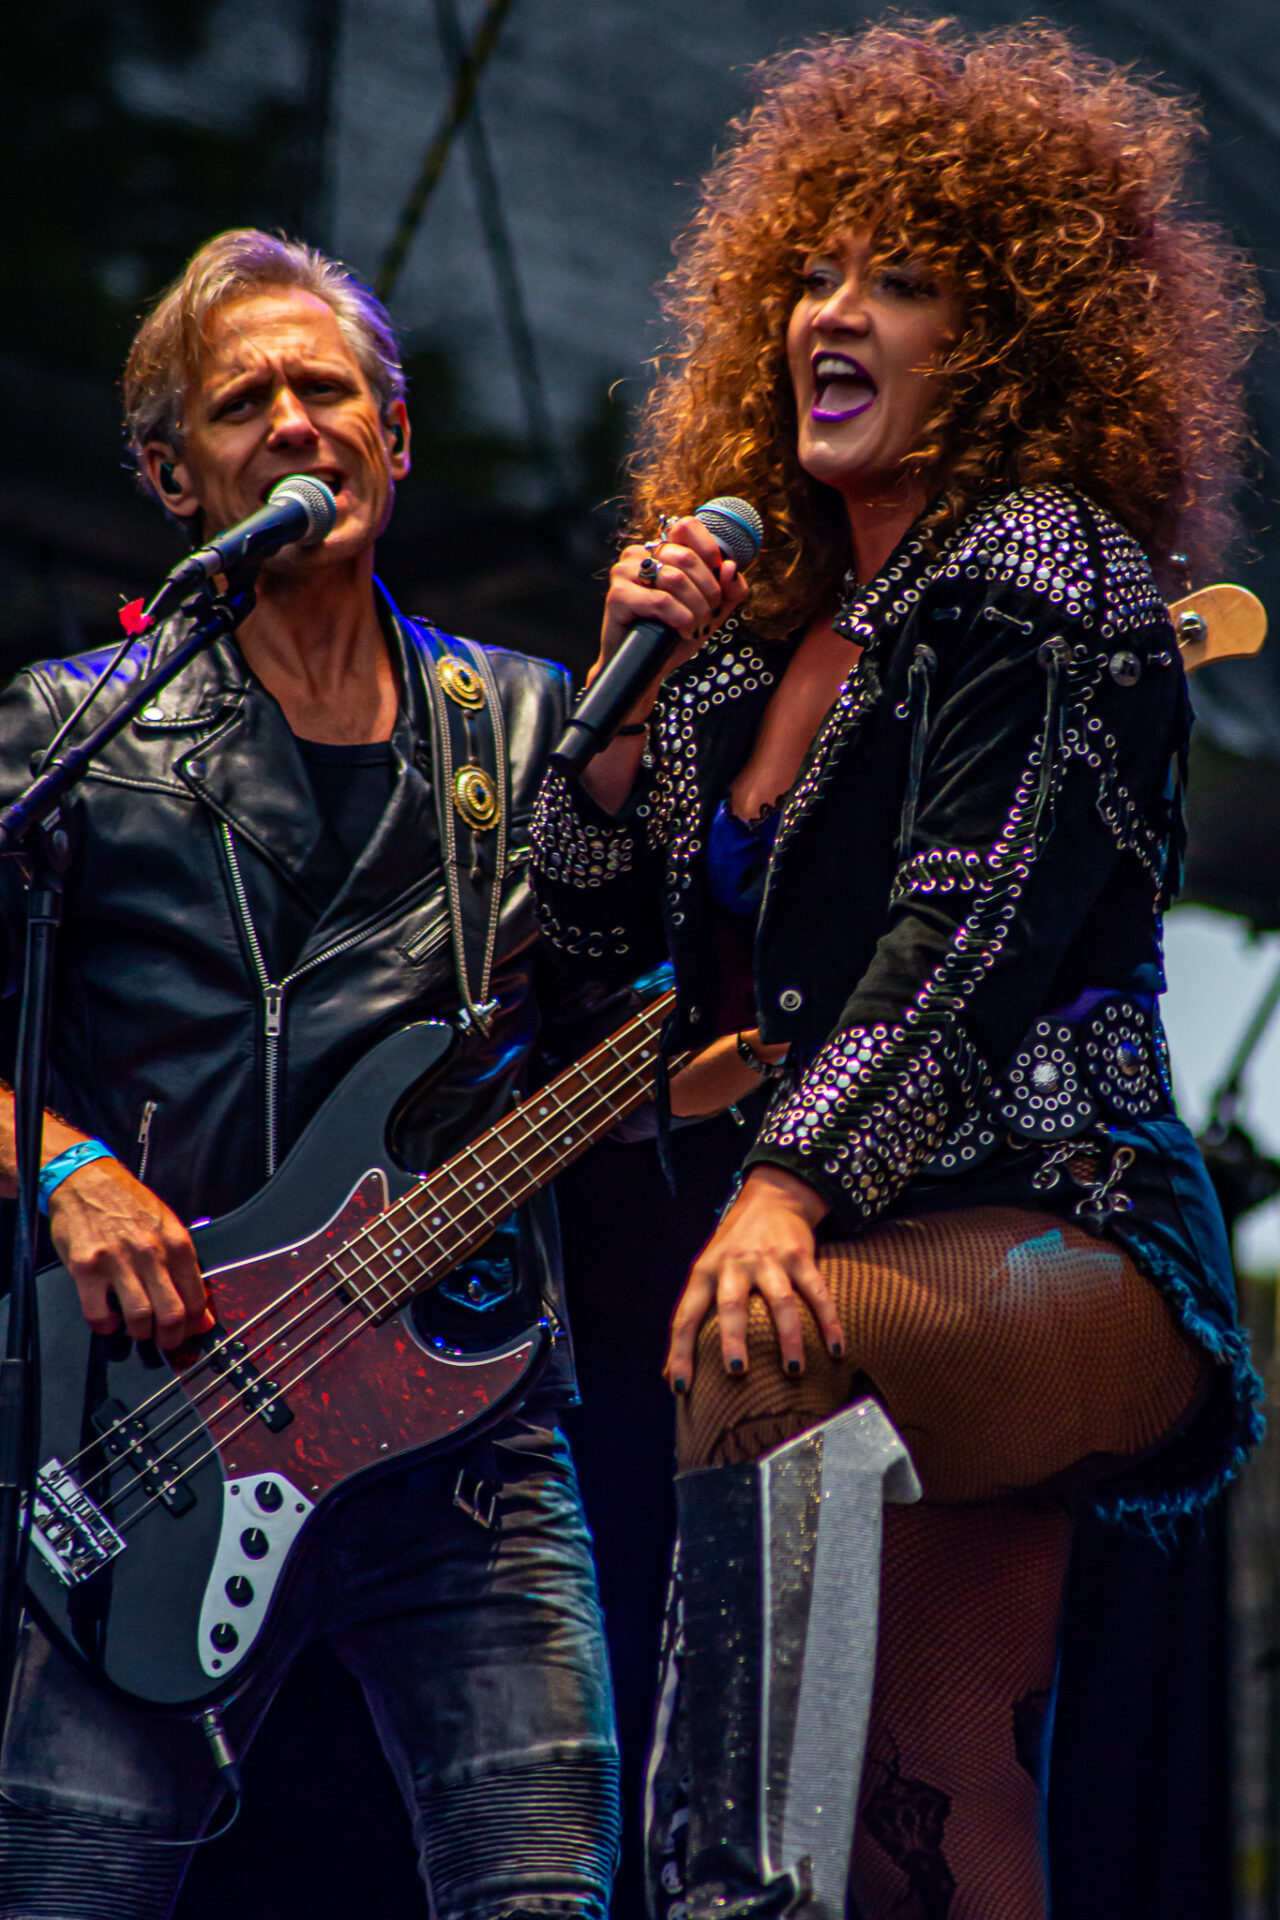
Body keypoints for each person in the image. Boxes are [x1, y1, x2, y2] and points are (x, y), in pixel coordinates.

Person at [528, 23, 1264, 1920]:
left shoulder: (1044, 567)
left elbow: (971, 930)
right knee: (927, 1807)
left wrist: (782, 1188)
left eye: (905, 281)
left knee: (757, 1340)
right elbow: (584, 970)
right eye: (815, 276)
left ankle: (710, 1897)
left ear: (1006, 338)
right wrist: (609, 740)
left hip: (1073, 1232)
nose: (833, 315)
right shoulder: (755, 646)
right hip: (892, 1237)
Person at [0, 230, 619, 1920]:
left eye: (326, 389)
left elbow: (643, 1010)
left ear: (392, 438)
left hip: (462, 1420)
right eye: (241, 402)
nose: (293, 421)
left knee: (538, 1891)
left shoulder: (525, 729)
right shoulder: (71, 735)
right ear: (170, 476)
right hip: (158, 1418)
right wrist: (65, 1167)